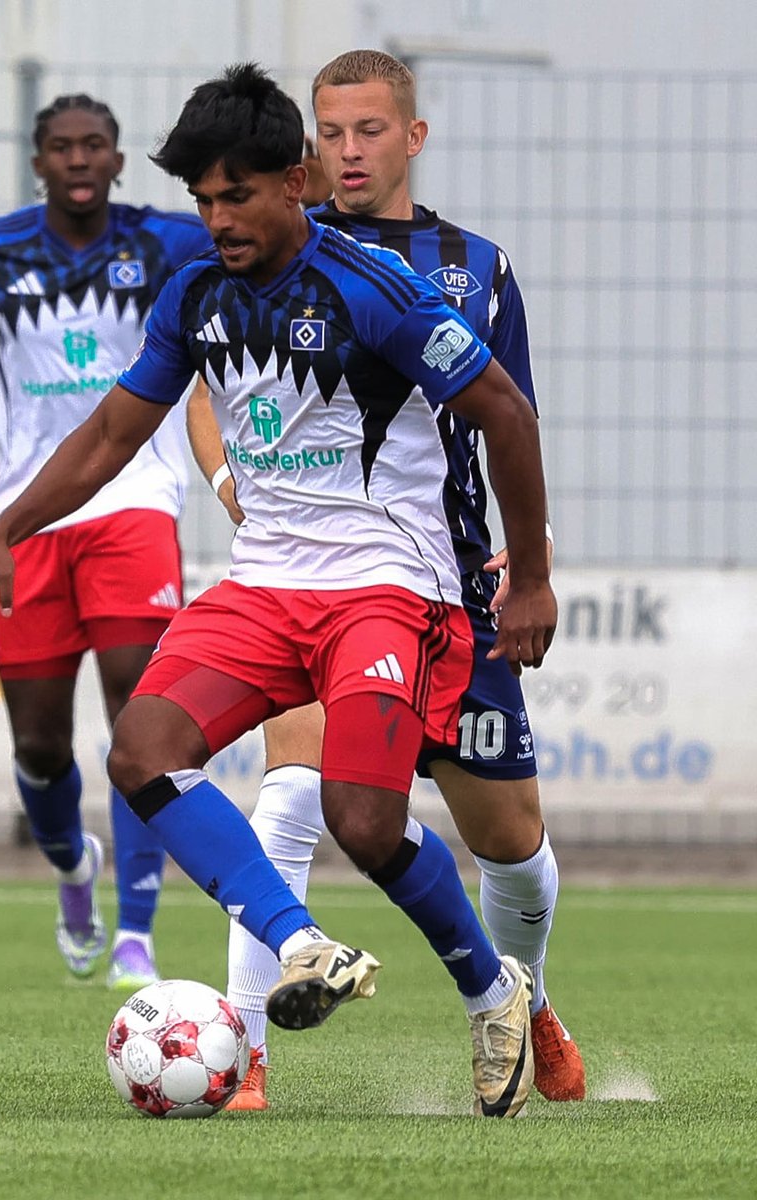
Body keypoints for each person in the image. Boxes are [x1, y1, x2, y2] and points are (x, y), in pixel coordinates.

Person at [0, 62, 558, 1118]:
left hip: (387, 588)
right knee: (142, 750)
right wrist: (4, 529)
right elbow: (110, 432)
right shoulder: (196, 293)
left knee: (366, 824)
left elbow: (505, 412)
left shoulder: (378, 292)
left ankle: (489, 988)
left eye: (237, 195)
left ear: (299, 180)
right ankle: (301, 941)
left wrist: (533, 578)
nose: (218, 218)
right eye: (202, 199)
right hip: (266, 585)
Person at [194, 50, 584, 1113]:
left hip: (449, 586)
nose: (347, 150)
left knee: (509, 846)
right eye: (330, 131)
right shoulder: (268, 245)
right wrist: (233, 475)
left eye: (369, 130)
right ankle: (240, 1056)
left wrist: (527, 564)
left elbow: (514, 416)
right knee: (292, 794)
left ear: (412, 138)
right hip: (317, 579)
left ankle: (528, 1002)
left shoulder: (475, 265)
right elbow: (201, 377)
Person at [0, 93, 211, 990]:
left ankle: (138, 934)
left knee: (137, 709)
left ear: (115, 160)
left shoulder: (167, 244)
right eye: (60, 146)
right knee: (37, 744)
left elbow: (263, 245)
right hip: (24, 520)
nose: (77, 159)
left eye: (94, 145)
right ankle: (75, 869)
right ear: (39, 162)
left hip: (135, 503)